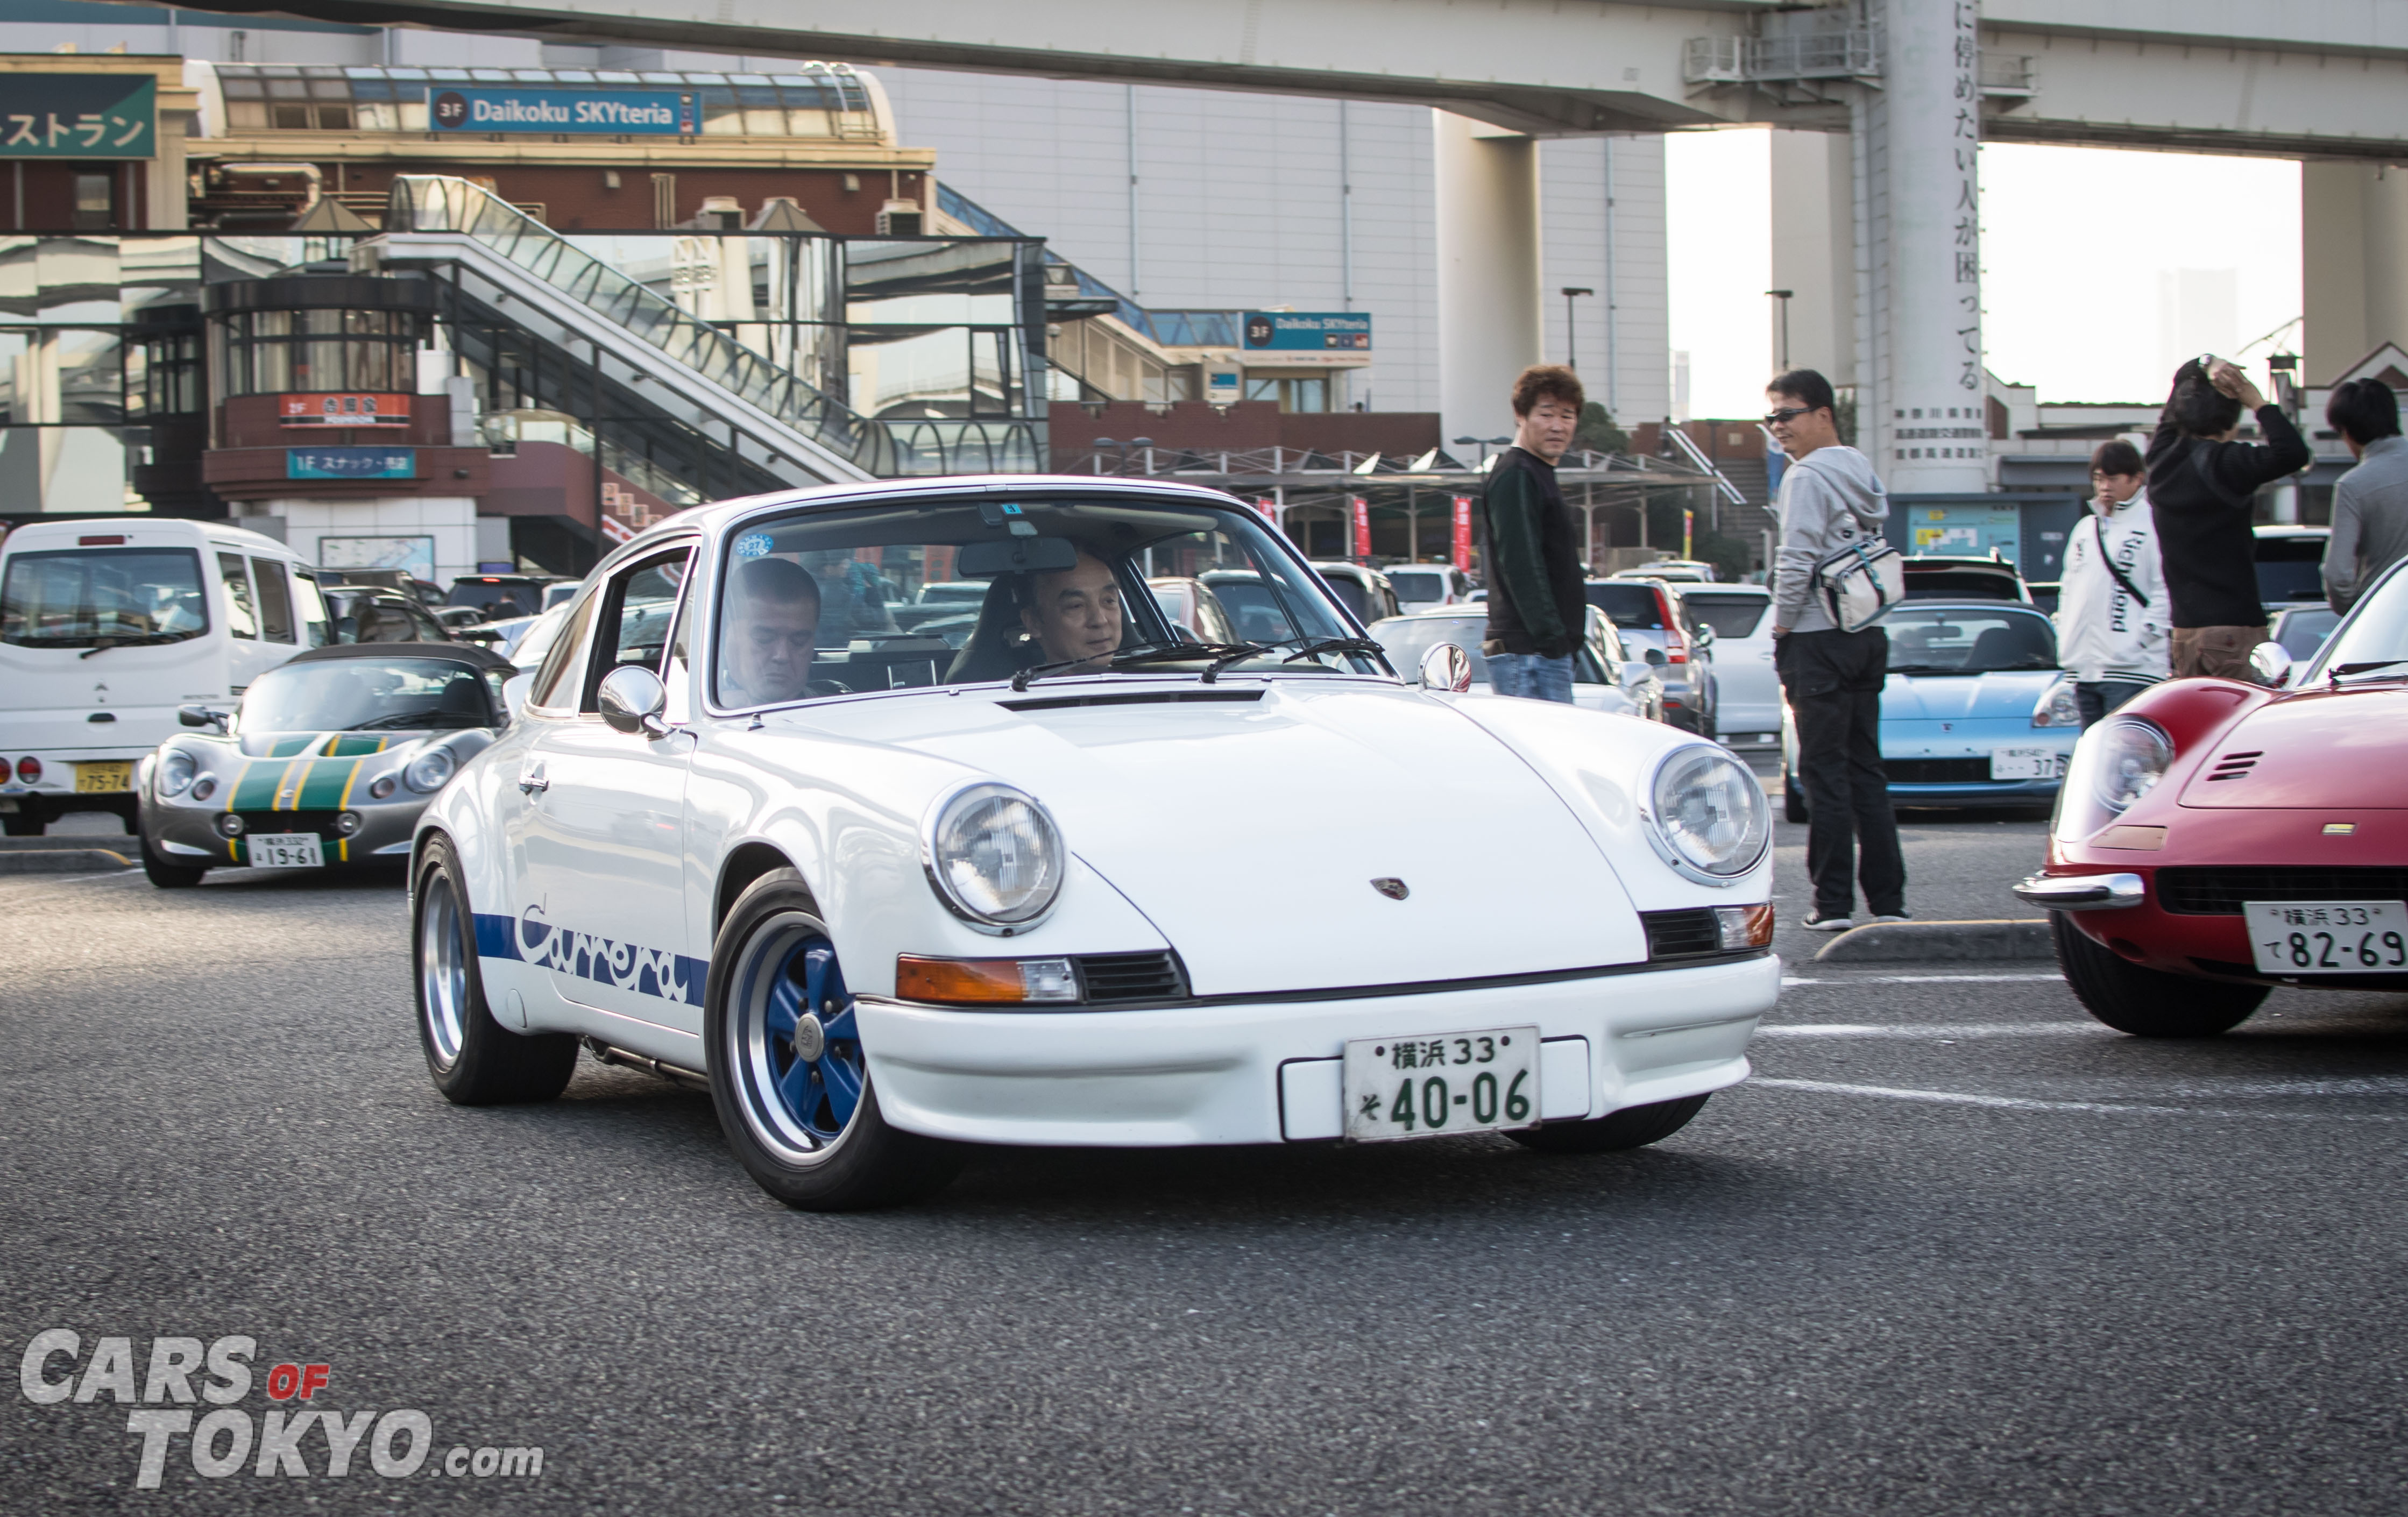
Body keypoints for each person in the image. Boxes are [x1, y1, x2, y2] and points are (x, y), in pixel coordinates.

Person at [1765, 366, 1906, 932]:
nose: (1777, 428)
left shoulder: (1805, 478)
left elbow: (1796, 559)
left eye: (1786, 414)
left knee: (1824, 776)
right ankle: (1889, 902)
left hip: (1817, 640)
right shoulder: (1861, 472)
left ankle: (1834, 905)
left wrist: (1780, 627)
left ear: (1824, 414)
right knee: (1866, 770)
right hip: (1866, 634)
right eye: (1770, 417)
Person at [2144, 357, 2312, 678]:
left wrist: (2203, 366)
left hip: (2184, 633)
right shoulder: (2228, 462)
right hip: (2234, 629)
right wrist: (2256, 400)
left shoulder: (2161, 460)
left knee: (2201, 725)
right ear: (2232, 419)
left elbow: (2173, 405)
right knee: (2242, 725)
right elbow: (2293, 453)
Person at [1479, 364, 1587, 703]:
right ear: (1520, 414)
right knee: (1541, 754)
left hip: (1540, 653)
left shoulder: (1536, 473)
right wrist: (1552, 640)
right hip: (1529, 654)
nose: (1558, 426)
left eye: (1568, 416)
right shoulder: (1516, 473)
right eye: (1546, 414)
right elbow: (1521, 562)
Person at [2055, 439, 2169, 725]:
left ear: (2136, 479)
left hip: (2132, 668)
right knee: (2094, 753)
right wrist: (2063, 633)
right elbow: (2068, 588)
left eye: (2113, 479)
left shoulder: (2154, 524)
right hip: (2083, 666)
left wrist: (2141, 641)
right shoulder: (2085, 528)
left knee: (2126, 754)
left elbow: (2166, 588)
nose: (2105, 487)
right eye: (2098, 479)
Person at [2321, 378, 2408, 614]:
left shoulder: (2353, 485)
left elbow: (2337, 574)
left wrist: (2357, 612)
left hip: (2385, 615)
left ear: (2346, 432)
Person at [719, 557, 821, 705]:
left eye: (799, 641)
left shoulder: (840, 713)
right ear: (725, 636)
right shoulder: (688, 712)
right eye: (764, 639)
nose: (782, 656)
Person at [1018, 549, 1124, 670]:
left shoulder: (1144, 679)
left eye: (1109, 601)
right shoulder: (1011, 688)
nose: (1100, 621)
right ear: (1034, 623)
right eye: (1076, 606)